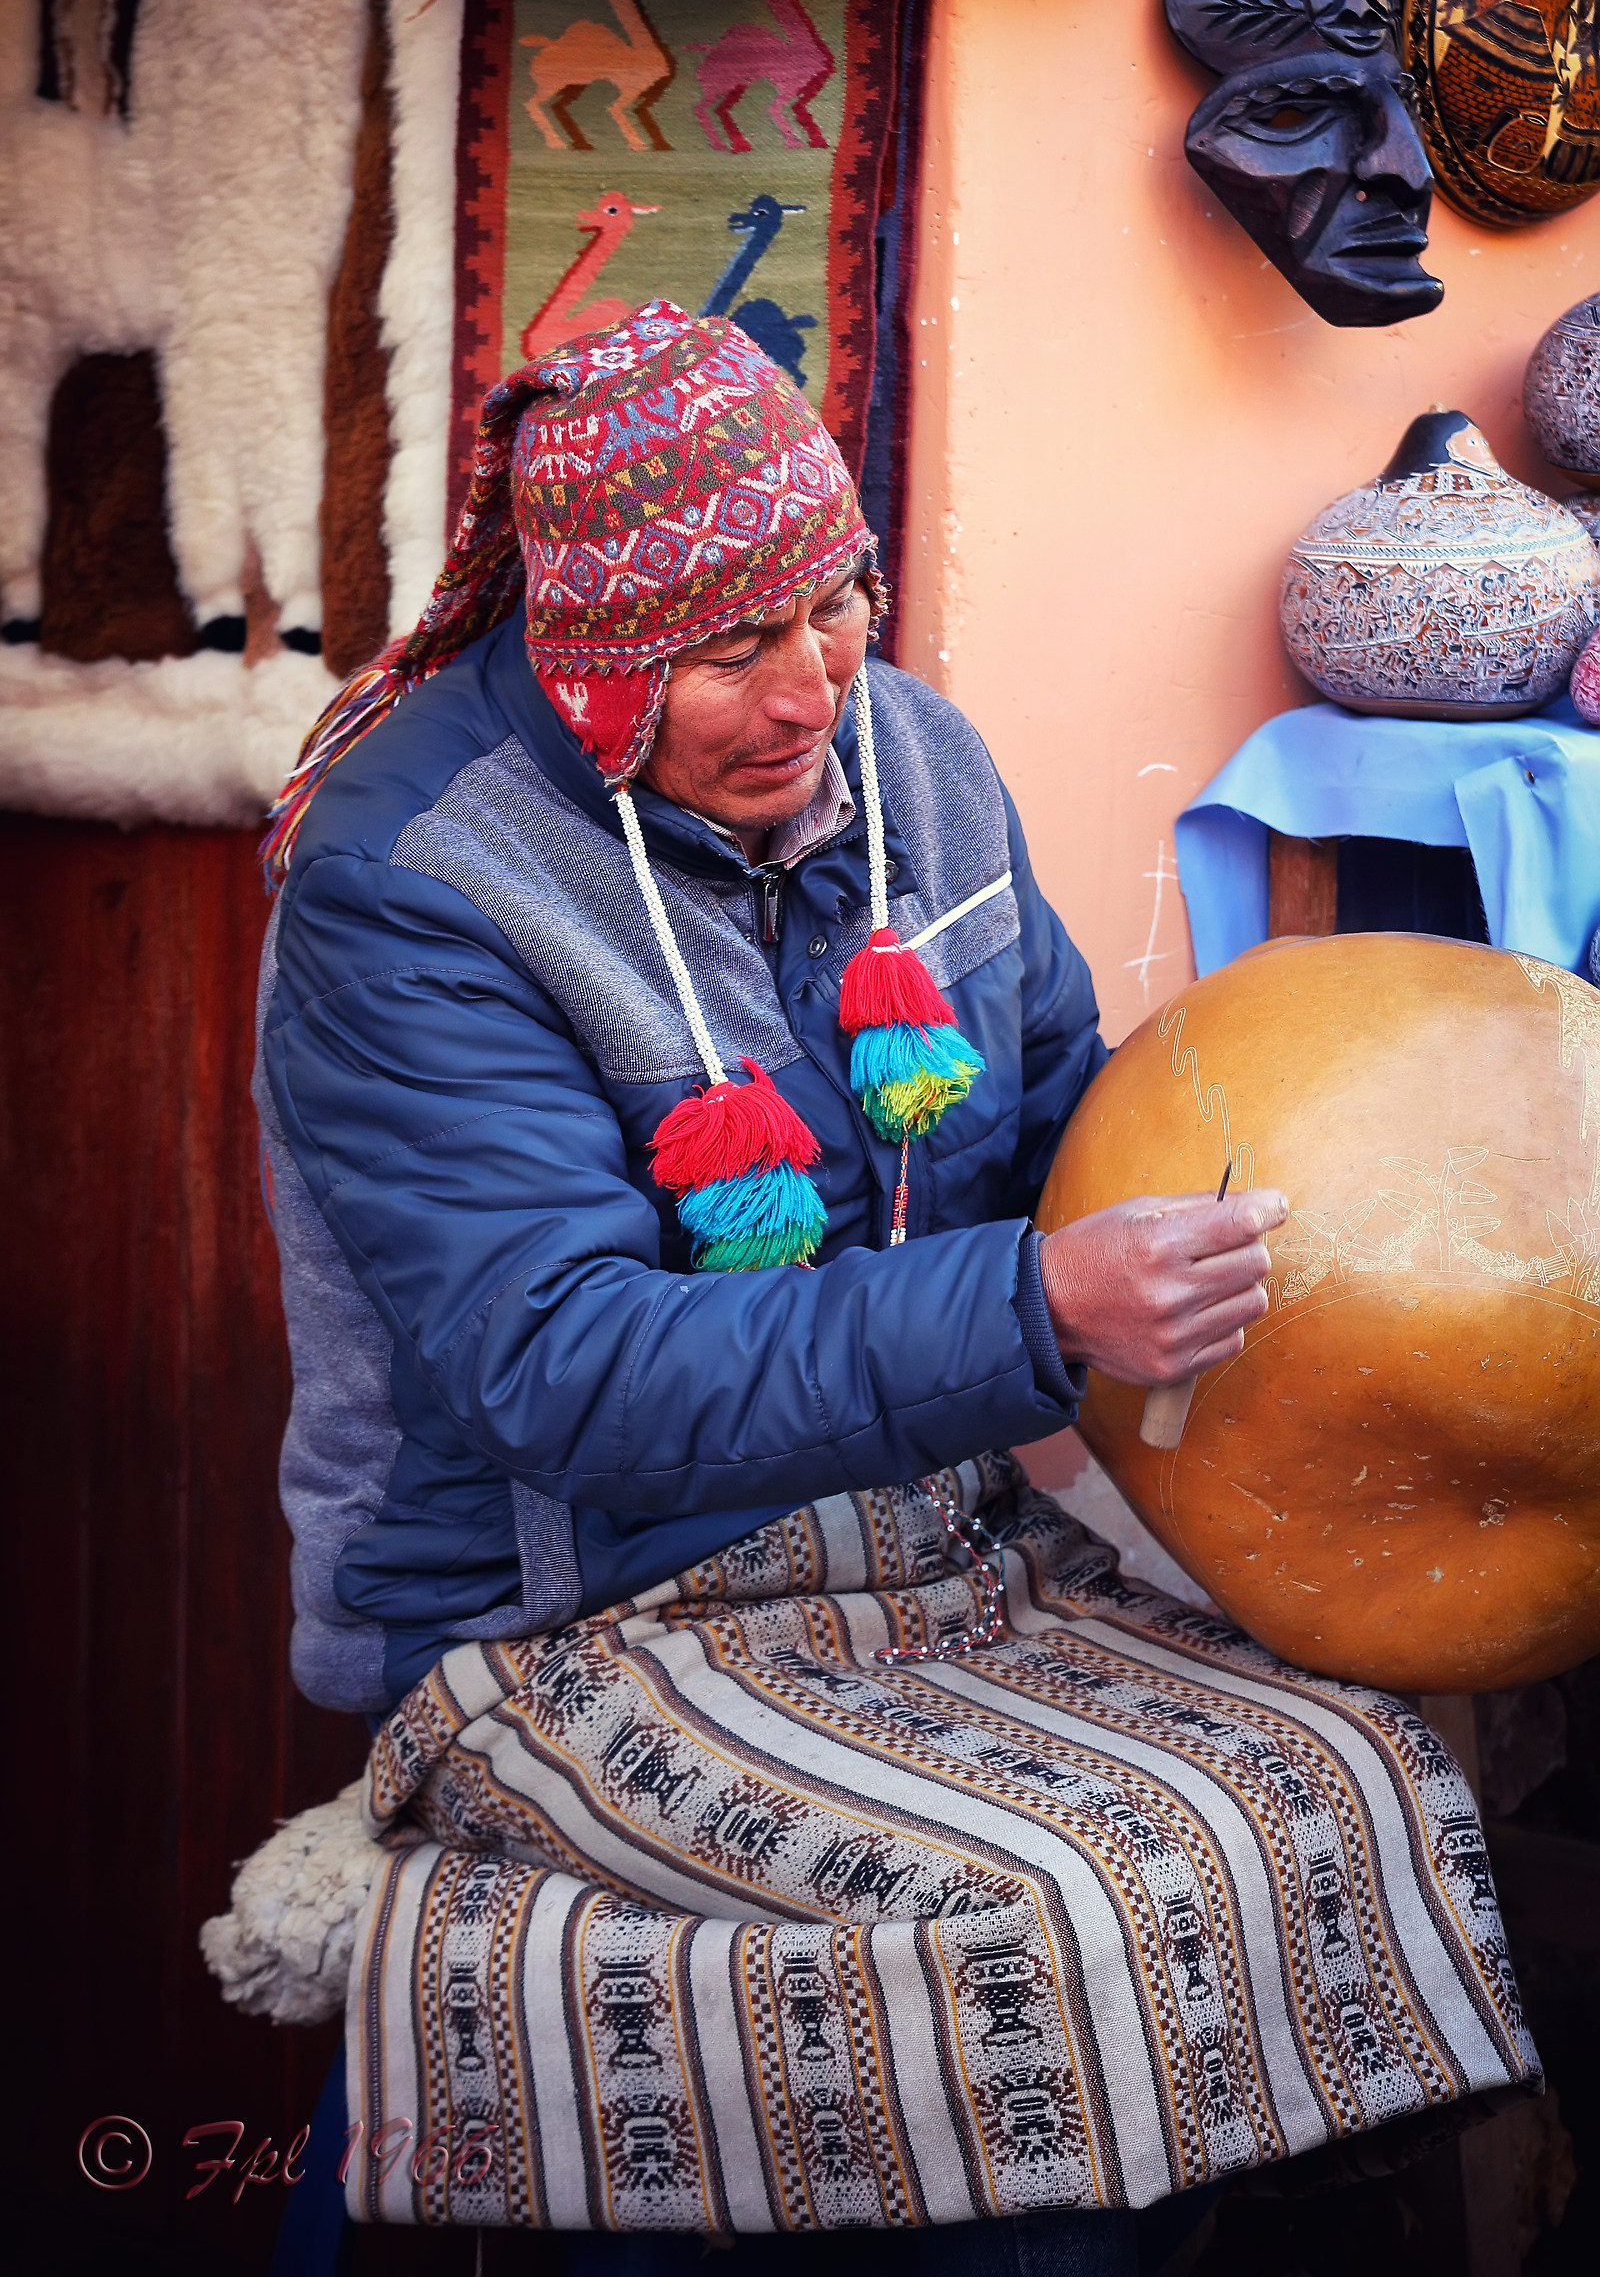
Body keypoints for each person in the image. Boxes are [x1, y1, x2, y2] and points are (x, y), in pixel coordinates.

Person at [256, 305, 1533, 2260]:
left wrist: (1357, 1199)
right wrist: (1039, 1311)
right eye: (727, 653)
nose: (809, 692)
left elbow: (1058, 1120)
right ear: (590, 660)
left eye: (832, 607)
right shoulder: (418, 882)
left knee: (1353, 1775)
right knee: (1054, 1912)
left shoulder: (913, 760)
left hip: (925, 1548)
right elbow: (558, 1367)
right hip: (573, 1609)